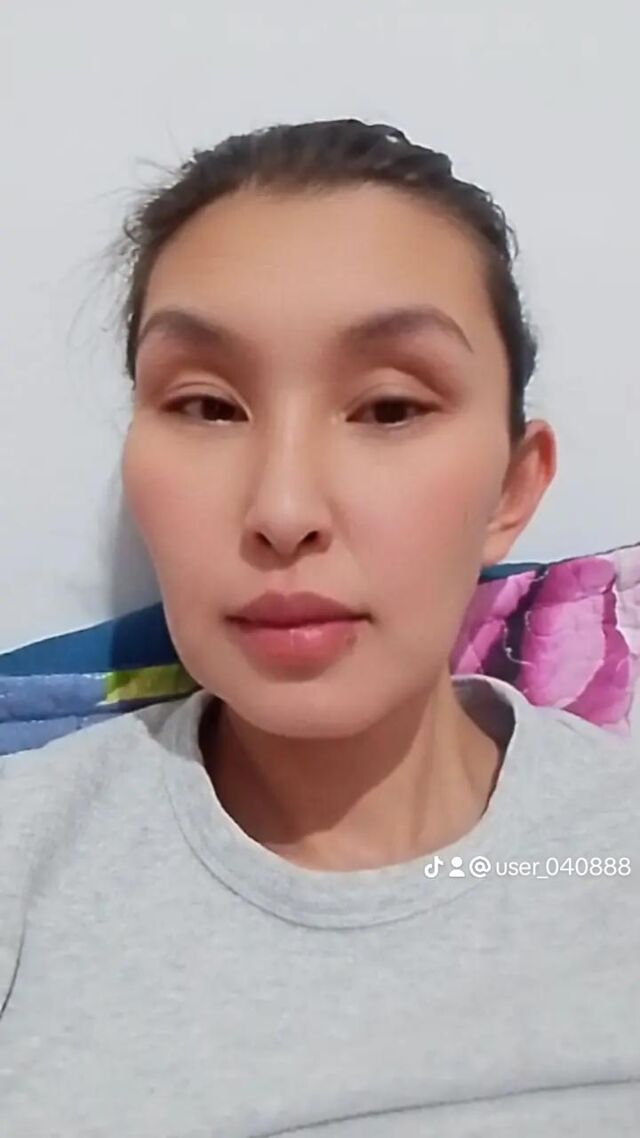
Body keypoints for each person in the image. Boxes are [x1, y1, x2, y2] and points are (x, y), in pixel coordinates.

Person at [1, 118, 638, 1137]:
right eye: (207, 406)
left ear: (513, 489)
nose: (284, 508)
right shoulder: (26, 861)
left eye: (388, 408)